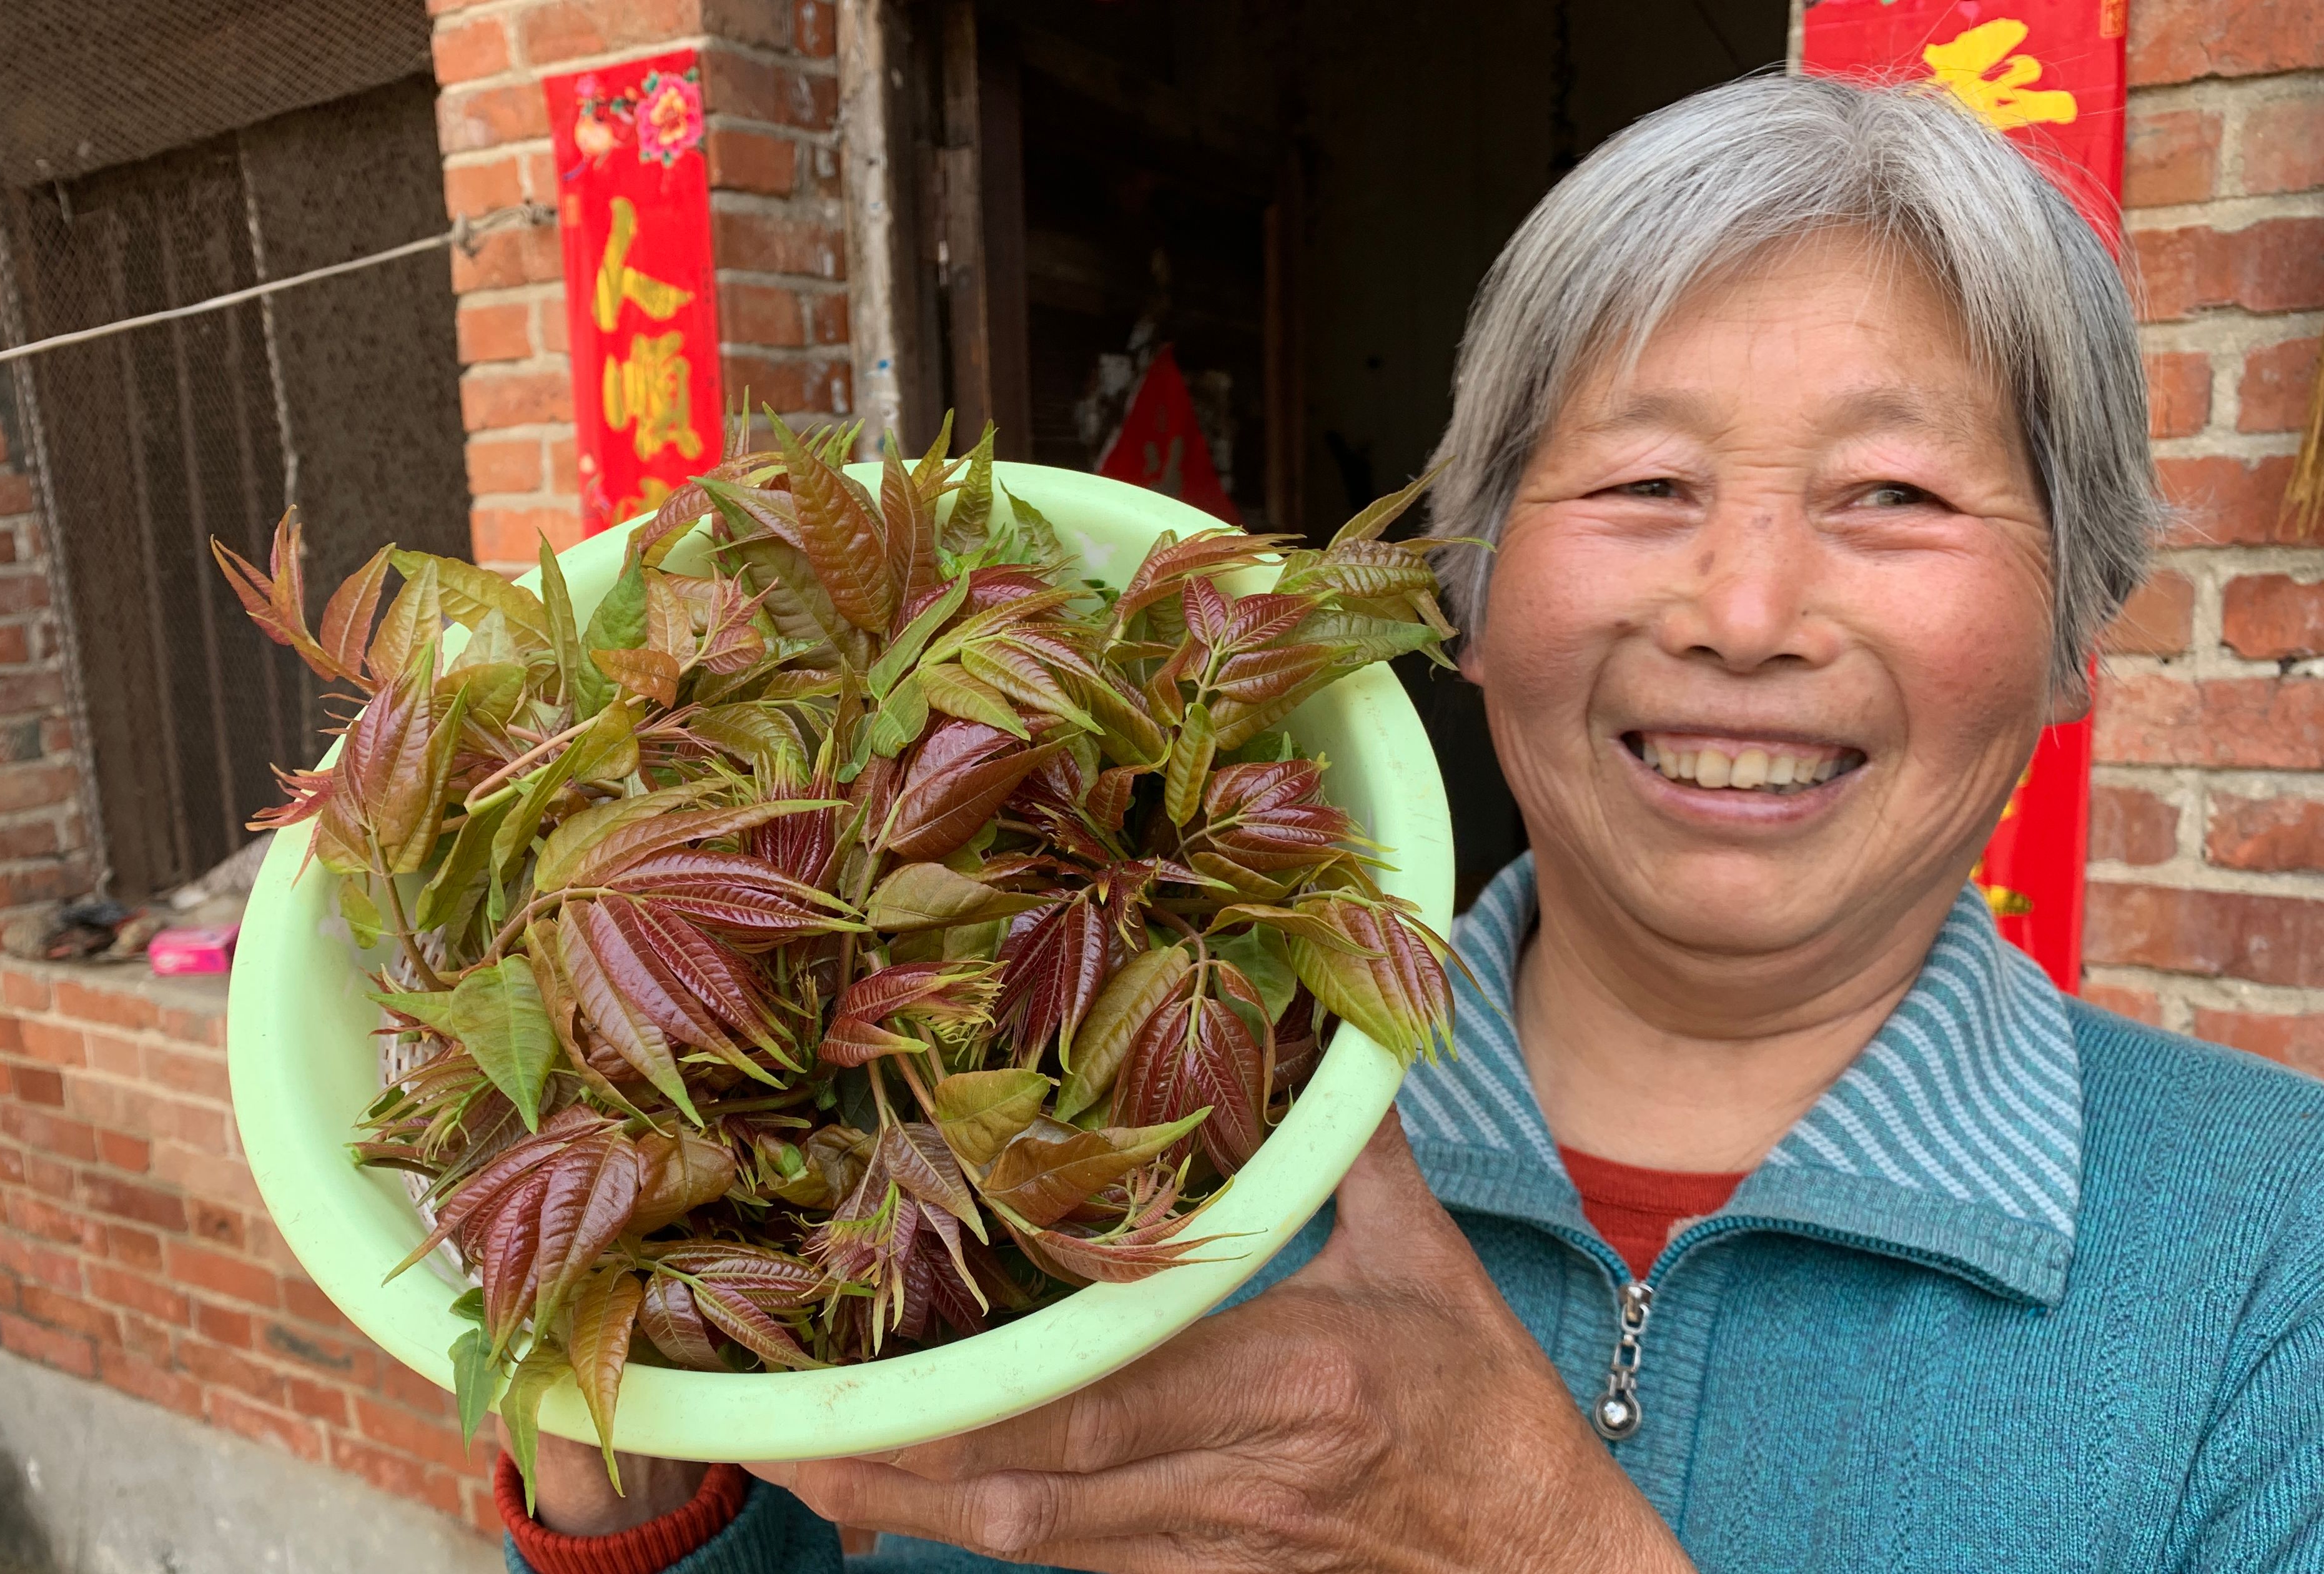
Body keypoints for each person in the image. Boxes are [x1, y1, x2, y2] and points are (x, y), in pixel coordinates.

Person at [498, 72, 2324, 1573]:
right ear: (1464, 579)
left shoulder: (2270, 1270)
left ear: (2081, 623)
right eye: (1644, 479)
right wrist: (633, 1477)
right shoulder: (1084, 1078)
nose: (1744, 608)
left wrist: (1530, 1539)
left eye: (1897, 493)